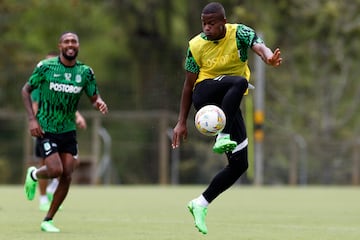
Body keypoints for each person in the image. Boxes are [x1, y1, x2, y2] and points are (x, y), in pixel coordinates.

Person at [171, 2, 282, 235]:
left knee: (240, 165)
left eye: (211, 23)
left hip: (227, 104)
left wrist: (269, 57)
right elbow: (188, 85)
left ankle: (200, 203)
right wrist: (182, 121)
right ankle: (222, 135)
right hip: (205, 96)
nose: (207, 28)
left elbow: (259, 46)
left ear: (223, 22)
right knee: (240, 81)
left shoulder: (239, 33)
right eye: (204, 23)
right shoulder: (196, 45)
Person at [21, 32, 108, 232]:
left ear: (78, 46)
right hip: (46, 128)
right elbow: (25, 91)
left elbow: (94, 97)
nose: (70, 44)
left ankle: (48, 220)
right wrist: (32, 119)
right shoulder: (46, 67)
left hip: (68, 130)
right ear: (60, 45)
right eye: (66, 41)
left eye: (74, 41)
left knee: (68, 173)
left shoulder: (85, 72)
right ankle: (34, 174)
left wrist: (99, 102)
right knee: (55, 170)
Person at [31, 52, 88, 212]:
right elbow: (35, 106)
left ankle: (52, 191)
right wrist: (37, 123)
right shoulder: (40, 83)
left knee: (68, 166)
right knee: (45, 163)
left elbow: (66, 105)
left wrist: (78, 116)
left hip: (65, 129)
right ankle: (42, 198)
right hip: (46, 129)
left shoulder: (64, 80)